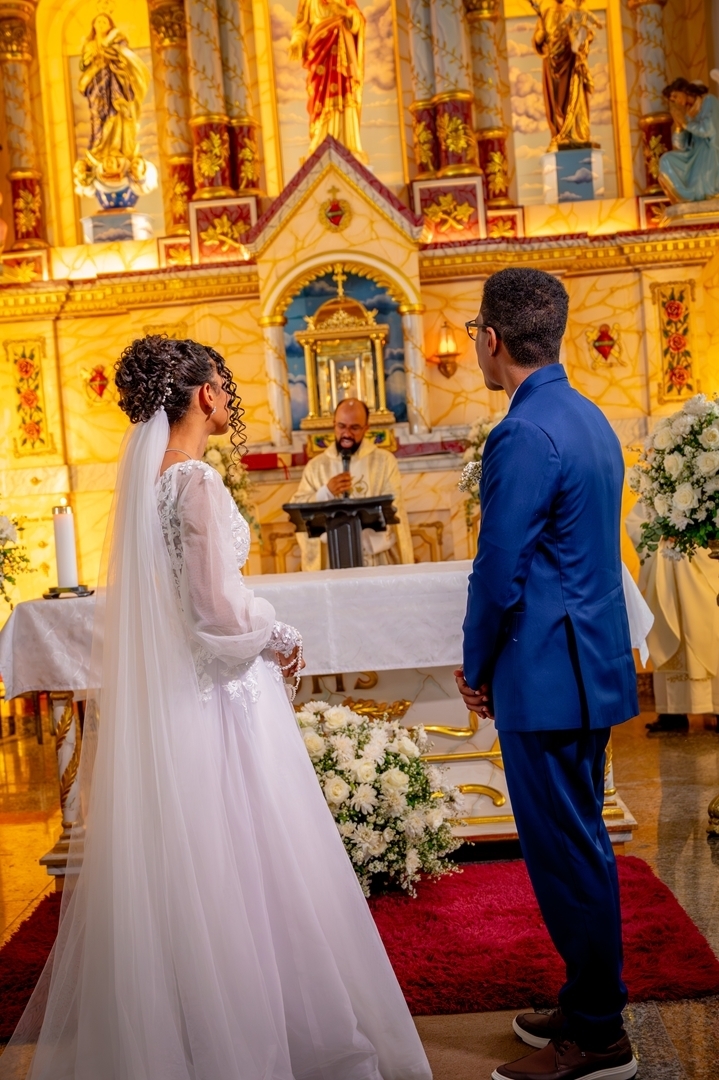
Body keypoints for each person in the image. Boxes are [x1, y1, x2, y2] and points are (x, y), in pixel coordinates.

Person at [0, 337, 431, 1080]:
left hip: (177, 700)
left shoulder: (145, 483)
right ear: (203, 395)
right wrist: (276, 629)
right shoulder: (193, 479)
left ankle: (197, 1033)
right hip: (222, 698)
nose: (230, 398)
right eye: (224, 386)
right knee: (253, 861)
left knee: (200, 866)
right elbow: (215, 612)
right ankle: (275, 1039)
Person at [455, 269, 638, 1080]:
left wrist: (473, 663)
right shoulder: (587, 415)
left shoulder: (523, 432)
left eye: (473, 335)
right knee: (578, 842)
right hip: (586, 660)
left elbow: (499, 568)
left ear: (491, 340)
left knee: (565, 852)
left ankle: (598, 1037)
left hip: (544, 671)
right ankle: (584, 995)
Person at [290, 398, 414, 571]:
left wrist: (359, 540)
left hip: (374, 560)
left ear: (366, 428)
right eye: (341, 426)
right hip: (331, 562)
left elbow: (394, 509)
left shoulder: (384, 462)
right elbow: (298, 510)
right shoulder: (316, 466)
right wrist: (326, 492)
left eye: (354, 427)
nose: (347, 433)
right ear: (334, 425)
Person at [626, 502, 719, 733]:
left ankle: (716, 706)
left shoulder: (707, 481)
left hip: (699, 567)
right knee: (665, 631)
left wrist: (692, 535)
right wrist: (661, 534)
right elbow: (635, 522)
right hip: (665, 567)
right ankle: (672, 712)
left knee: (707, 632)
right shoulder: (655, 488)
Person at [289, 0, 366, 160]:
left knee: (346, 94)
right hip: (319, 53)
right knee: (320, 98)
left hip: (342, 52)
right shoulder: (307, 2)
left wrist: (347, 13)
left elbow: (358, 23)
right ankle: (320, 141)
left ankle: (348, 144)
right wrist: (297, 42)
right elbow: (302, 27)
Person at [658, 78, 719, 203]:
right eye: (672, 100)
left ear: (684, 90)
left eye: (676, 95)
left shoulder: (708, 101)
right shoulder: (687, 112)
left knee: (705, 185)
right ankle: (686, 195)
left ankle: (702, 192)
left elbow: (709, 130)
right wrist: (679, 127)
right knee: (666, 160)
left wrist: (686, 124)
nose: (676, 101)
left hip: (711, 150)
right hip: (694, 154)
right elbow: (681, 146)